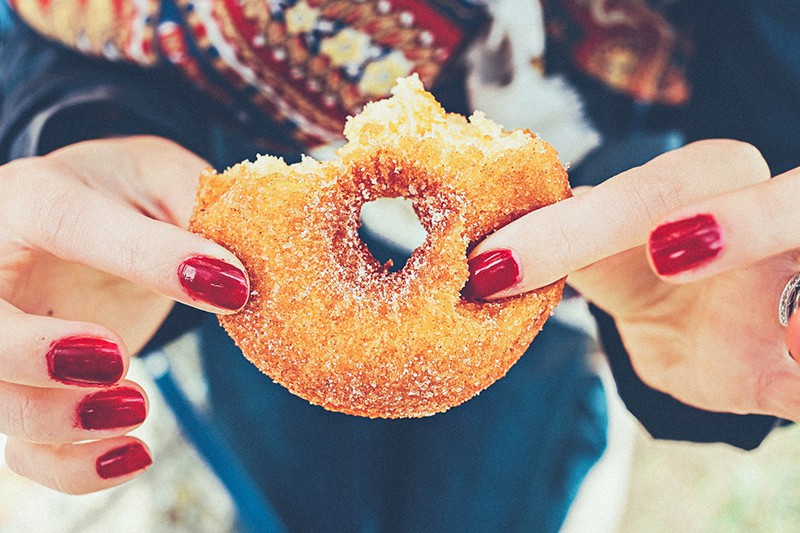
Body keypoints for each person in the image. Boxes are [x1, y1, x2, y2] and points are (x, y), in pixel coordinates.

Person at [0, 0, 798, 531]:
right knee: (308, 506)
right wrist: (75, 131)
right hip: (264, 286)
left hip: (554, 288)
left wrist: (755, 246)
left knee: (486, 507)